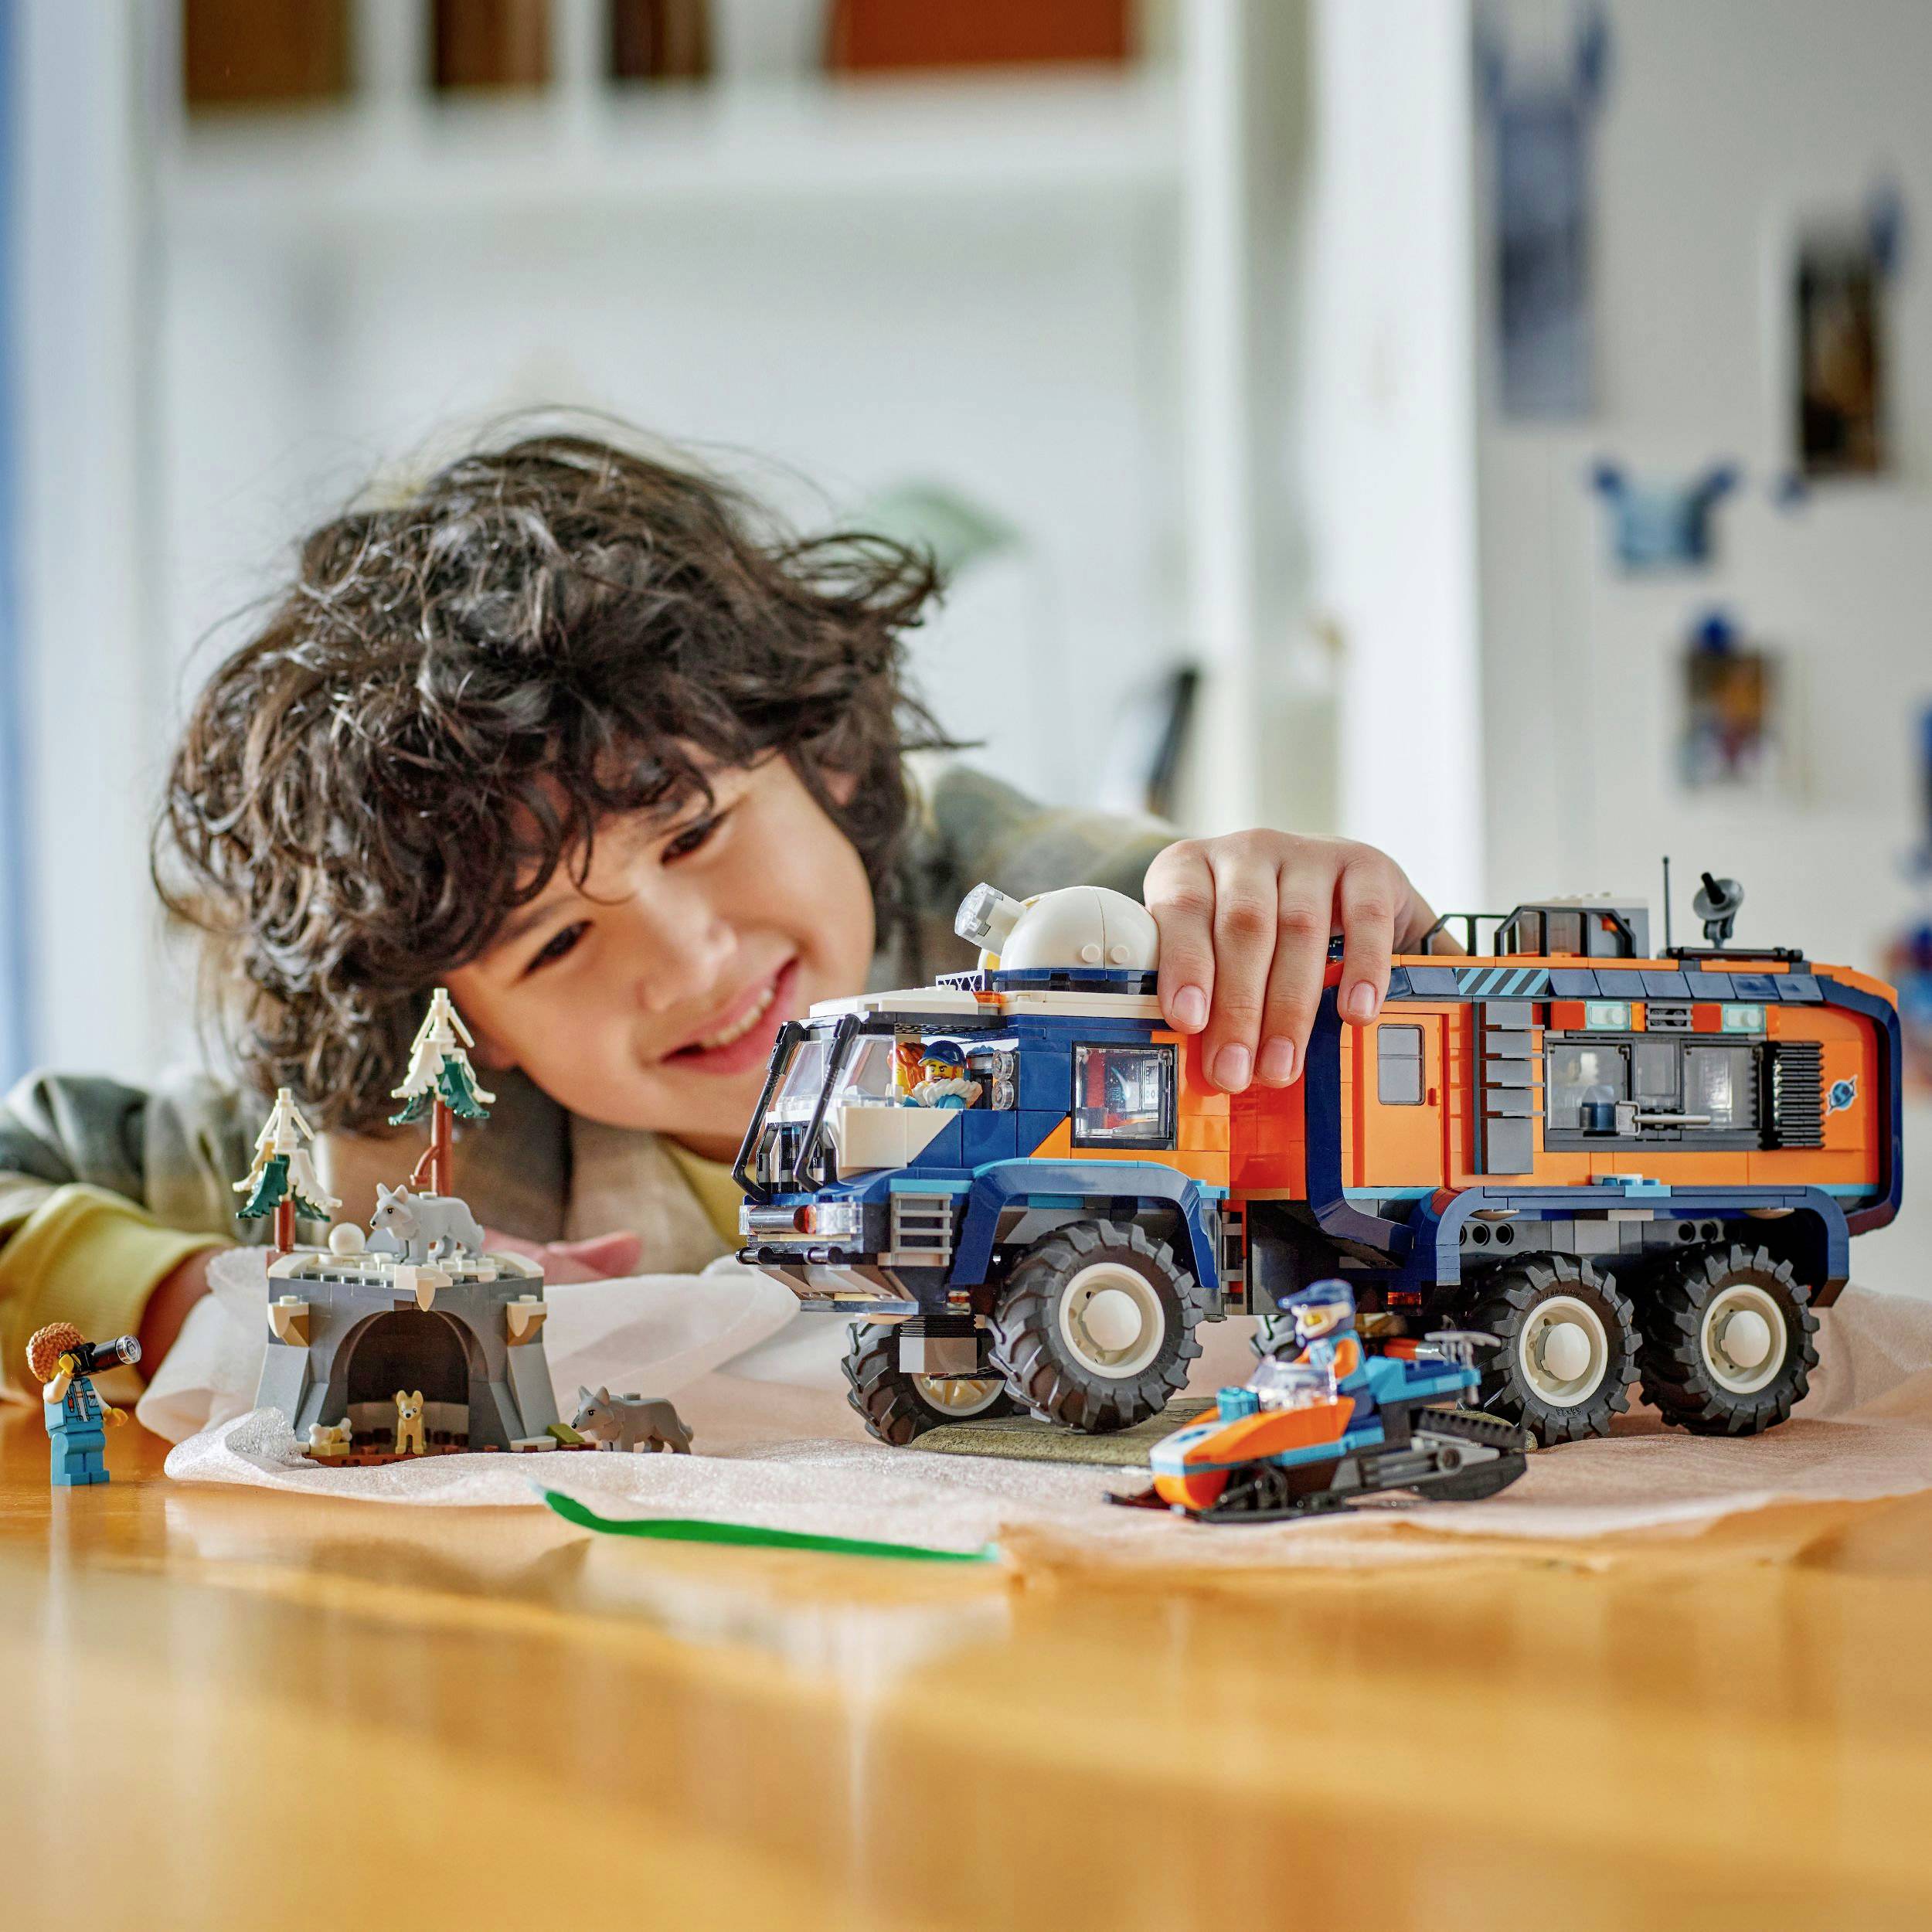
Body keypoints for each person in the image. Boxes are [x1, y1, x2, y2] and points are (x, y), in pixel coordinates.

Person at [0, 428, 1444, 1404]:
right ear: (459, 1023)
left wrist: (1310, 926)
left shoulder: (1048, 921)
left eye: (694, 830)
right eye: (555, 943)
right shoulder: (395, 1127)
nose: (688, 957)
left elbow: (1376, 1025)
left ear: (821, 754)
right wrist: (189, 1287)